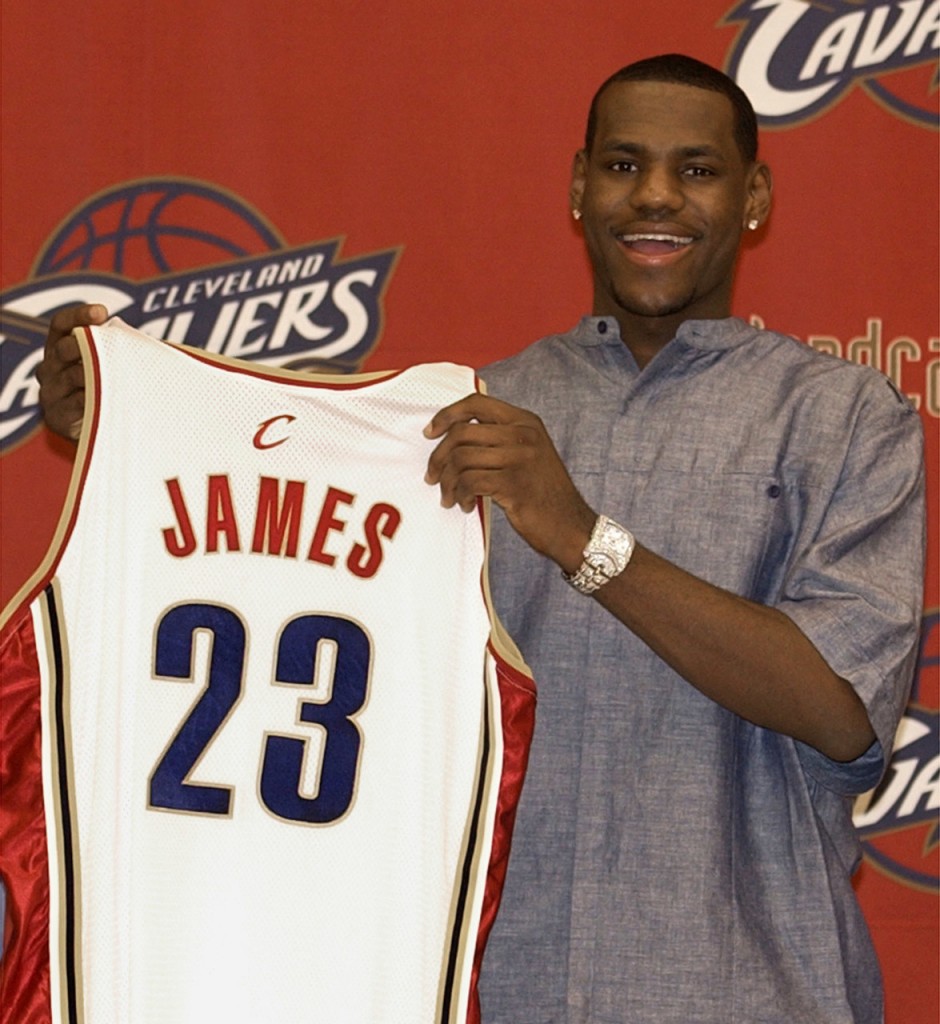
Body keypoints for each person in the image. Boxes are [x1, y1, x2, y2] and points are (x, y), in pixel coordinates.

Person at [35, 54, 925, 1024]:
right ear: (577, 187)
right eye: (624, 166)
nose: (656, 196)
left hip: (750, 995)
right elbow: (286, 538)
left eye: (697, 170)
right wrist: (135, 420)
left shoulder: (846, 417)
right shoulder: (464, 412)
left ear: (753, 196)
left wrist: (580, 536)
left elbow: (842, 710)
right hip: (493, 993)